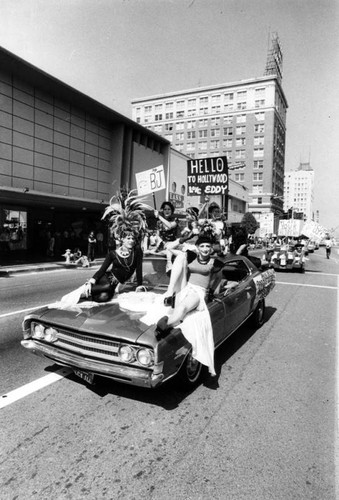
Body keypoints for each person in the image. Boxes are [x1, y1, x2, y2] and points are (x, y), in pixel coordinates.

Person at [156, 235, 221, 335]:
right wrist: (185, 238)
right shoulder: (192, 256)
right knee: (181, 256)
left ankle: (165, 326)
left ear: (211, 248)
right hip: (186, 285)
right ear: (198, 247)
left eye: (207, 246)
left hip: (198, 291)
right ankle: (170, 290)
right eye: (202, 246)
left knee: (183, 307)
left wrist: (211, 292)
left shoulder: (215, 262)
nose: (205, 249)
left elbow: (218, 278)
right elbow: (169, 248)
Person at [84, 229, 144, 302]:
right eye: (128, 238)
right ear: (122, 239)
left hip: (114, 285)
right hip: (106, 280)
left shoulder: (137, 251)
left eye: (133, 238)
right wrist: (92, 280)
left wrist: (139, 285)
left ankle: (89, 292)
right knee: (107, 287)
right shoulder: (113, 253)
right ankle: (86, 289)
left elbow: (139, 269)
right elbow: (102, 270)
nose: (131, 241)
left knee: (104, 297)